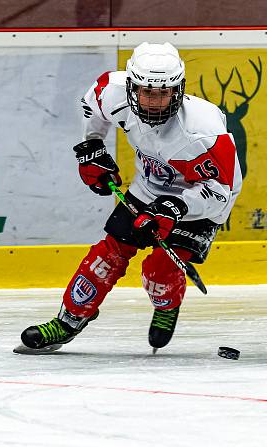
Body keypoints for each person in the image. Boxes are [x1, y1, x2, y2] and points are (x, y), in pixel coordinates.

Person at [18, 42, 242, 353]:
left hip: (198, 205)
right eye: (147, 92)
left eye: (163, 93)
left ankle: (166, 304)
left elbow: (224, 189)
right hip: (147, 188)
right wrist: (91, 148)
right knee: (107, 255)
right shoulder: (113, 91)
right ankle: (68, 321)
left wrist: (176, 206)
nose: (154, 102)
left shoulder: (204, 131)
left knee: (160, 271)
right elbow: (92, 104)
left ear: (178, 90)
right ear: (131, 86)